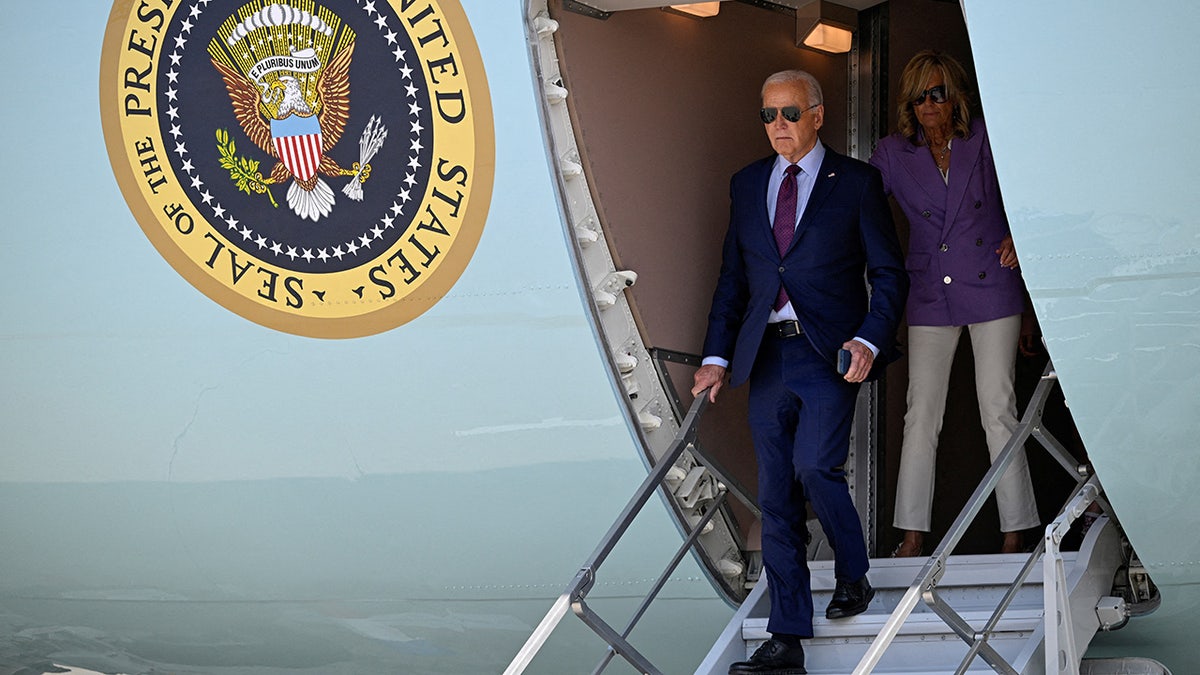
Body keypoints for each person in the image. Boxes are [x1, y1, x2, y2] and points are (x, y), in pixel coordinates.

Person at [692, 69, 907, 674]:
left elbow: (890, 274)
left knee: (815, 465)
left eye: (789, 114)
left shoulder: (858, 184)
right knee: (774, 494)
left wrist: (868, 337)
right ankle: (787, 637)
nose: (778, 126)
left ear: (817, 115)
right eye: (768, 116)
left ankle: (853, 572)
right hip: (765, 354)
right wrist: (715, 357)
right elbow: (734, 278)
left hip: (830, 353)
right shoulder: (746, 184)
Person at [868, 50, 1039, 558]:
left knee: (998, 409)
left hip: (994, 283)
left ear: (955, 94)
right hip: (930, 291)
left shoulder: (985, 137)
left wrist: (1021, 236)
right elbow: (860, 203)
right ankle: (912, 534)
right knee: (921, 414)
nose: (927, 104)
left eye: (936, 93)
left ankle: (1017, 529)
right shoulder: (893, 153)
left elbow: (1029, 189)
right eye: (918, 95)